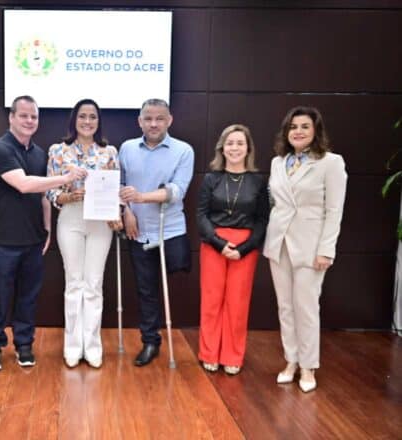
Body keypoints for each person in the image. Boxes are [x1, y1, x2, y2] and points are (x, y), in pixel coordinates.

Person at [0, 95, 86, 371]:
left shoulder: (40, 154)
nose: (29, 121)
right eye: (24, 115)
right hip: (2, 239)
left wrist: (47, 228)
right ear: (11, 117)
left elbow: (43, 196)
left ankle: (24, 345)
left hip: (32, 239)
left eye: (34, 116)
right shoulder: (0, 149)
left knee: (28, 297)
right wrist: (65, 178)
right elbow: (24, 184)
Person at [263, 106, 347, 392]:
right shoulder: (278, 162)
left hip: (310, 247)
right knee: (285, 307)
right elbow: (276, 203)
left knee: (307, 308)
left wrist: (327, 249)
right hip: (278, 244)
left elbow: (334, 210)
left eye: (304, 126)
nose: (298, 131)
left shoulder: (330, 163)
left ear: (315, 131)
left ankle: (309, 366)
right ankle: (291, 361)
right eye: (293, 127)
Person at [46, 99, 122, 369]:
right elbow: (50, 190)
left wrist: (116, 213)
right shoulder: (58, 150)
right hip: (71, 218)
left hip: (100, 222)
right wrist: (69, 196)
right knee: (74, 282)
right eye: (82, 116)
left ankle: (92, 346)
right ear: (74, 120)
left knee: (94, 283)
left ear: (98, 121)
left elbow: (115, 188)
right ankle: (72, 346)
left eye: (92, 117)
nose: (87, 121)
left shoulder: (109, 152)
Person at [119, 98, 194, 367]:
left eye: (159, 118)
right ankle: (150, 341)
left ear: (169, 120)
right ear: (139, 121)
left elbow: (177, 191)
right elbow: (120, 186)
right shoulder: (127, 148)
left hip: (170, 229)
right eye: (148, 119)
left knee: (178, 276)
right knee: (146, 289)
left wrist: (141, 197)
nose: (153, 124)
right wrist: (126, 211)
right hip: (138, 232)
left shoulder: (183, 150)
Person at [197, 124, 268, 375]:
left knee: (237, 304)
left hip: (244, 247)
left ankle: (232, 356)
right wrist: (218, 243)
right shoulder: (211, 178)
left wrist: (244, 248)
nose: (234, 148)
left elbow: (262, 220)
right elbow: (201, 215)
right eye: (230, 143)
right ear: (222, 148)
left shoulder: (257, 181)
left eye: (240, 143)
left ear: (248, 148)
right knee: (211, 301)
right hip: (213, 244)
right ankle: (209, 353)